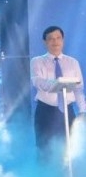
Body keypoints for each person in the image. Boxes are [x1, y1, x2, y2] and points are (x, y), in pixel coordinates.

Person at [31, 25, 86, 163]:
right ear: (45, 42)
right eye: (51, 39)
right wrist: (59, 83)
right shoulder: (37, 61)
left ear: (63, 40)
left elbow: (78, 89)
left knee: (69, 149)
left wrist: (83, 110)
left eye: (58, 38)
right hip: (46, 111)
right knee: (44, 149)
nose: (55, 42)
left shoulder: (73, 62)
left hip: (68, 110)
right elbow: (38, 82)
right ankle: (45, 175)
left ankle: (67, 175)